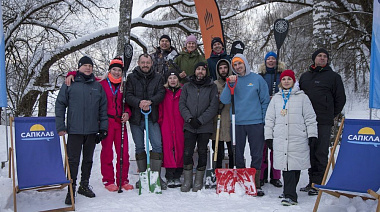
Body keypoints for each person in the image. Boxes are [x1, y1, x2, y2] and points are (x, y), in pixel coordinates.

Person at [55, 56, 108, 205]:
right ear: (78, 67)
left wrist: (103, 128)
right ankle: (71, 188)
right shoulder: (70, 83)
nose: (88, 68)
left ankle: (84, 185)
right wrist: (60, 126)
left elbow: (102, 108)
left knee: (88, 160)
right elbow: (60, 105)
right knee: (73, 161)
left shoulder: (97, 86)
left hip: (92, 130)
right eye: (84, 65)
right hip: (75, 130)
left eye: (90, 65)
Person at [264, 69, 318, 206]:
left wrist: (312, 135)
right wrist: (268, 137)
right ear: (280, 82)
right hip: (281, 138)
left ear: (294, 81)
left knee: (295, 166)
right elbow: (269, 119)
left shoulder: (302, 97)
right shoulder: (276, 98)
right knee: (285, 166)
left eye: (289, 79)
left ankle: (289, 191)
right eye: (283, 79)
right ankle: (290, 194)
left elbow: (310, 118)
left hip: (298, 138)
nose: (286, 81)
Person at [220, 54, 270, 196]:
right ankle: (241, 182)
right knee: (238, 154)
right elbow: (224, 100)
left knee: (257, 153)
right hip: (238, 123)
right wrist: (229, 85)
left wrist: (264, 120)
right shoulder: (233, 80)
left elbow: (265, 101)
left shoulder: (257, 79)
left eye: (240, 64)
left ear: (245, 64)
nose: (237, 67)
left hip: (255, 122)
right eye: (235, 65)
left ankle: (255, 183)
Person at [299, 48, 346, 195]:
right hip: (306, 121)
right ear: (314, 59)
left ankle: (318, 184)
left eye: (325, 56)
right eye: (319, 56)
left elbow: (340, 99)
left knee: (320, 152)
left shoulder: (333, 77)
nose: (322, 58)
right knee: (310, 152)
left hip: (323, 121)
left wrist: (330, 113)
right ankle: (311, 181)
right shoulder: (305, 77)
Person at [125, 53, 167, 190]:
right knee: (139, 147)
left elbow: (161, 93)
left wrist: (151, 101)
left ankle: (156, 177)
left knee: (157, 145)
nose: (145, 65)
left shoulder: (158, 77)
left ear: (151, 63)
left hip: (152, 116)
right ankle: (143, 176)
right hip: (136, 118)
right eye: (143, 62)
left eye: (147, 63)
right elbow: (128, 95)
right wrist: (139, 102)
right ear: (138, 63)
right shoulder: (131, 77)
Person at [179, 62, 218, 192]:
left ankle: (198, 180)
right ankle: (188, 180)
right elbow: (182, 104)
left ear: (206, 72)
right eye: (198, 69)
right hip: (189, 125)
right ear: (195, 71)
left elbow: (213, 106)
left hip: (204, 126)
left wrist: (200, 120)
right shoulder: (187, 86)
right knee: (187, 151)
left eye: (203, 69)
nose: (200, 71)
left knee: (202, 151)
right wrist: (189, 119)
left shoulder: (211, 87)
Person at [98, 57, 133, 192]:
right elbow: (84, 75)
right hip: (107, 121)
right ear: (110, 70)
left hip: (120, 122)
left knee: (123, 152)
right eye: (114, 69)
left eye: (119, 70)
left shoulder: (124, 85)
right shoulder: (101, 83)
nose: (117, 72)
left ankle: (122, 179)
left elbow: (128, 104)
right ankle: (108, 179)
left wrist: (127, 113)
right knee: (107, 151)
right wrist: (71, 74)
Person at [258, 51, 285, 188]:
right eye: (268, 58)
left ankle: (275, 176)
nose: (270, 61)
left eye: (273, 58)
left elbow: (288, 90)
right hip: (263, 114)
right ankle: (262, 175)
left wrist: (277, 97)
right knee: (262, 147)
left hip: (278, 114)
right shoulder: (260, 76)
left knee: (276, 147)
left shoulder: (282, 76)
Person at [158, 70, 184, 188]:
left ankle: (177, 175)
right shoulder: (163, 92)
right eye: (170, 78)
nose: (172, 80)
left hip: (179, 123)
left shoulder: (183, 91)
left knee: (180, 147)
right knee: (168, 148)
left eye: (175, 78)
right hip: (167, 124)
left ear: (178, 80)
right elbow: (159, 108)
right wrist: (160, 121)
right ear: (167, 80)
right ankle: (169, 176)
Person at [211, 59, 233, 169]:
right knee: (217, 151)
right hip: (217, 121)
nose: (223, 70)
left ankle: (233, 172)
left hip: (230, 121)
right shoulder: (214, 85)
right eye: (220, 68)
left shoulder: (234, 82)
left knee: (232, 151)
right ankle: (217, 172)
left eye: (225, 67)